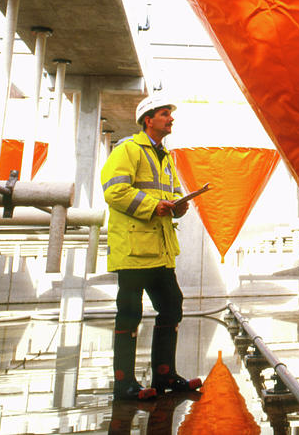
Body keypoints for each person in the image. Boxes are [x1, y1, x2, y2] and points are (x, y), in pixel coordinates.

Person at [101, 93, 199, 400]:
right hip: (133, 250)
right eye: (165, 114)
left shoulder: (166, 156)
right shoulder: (127, 150)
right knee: (129, 313)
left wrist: (179, 205)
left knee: (172, 306)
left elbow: (172, 191)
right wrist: (153, 207)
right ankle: (124, 384)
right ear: (148, 120)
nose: (171, 118)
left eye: (170, 113)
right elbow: (114, 191)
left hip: (159, 249)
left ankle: (165, 376)